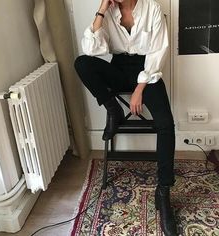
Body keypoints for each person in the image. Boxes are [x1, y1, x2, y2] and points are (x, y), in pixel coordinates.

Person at [74, 0, 177, 235]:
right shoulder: (109, 11)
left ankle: (164, 192)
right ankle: (113, 109)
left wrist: (140, 89)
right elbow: (91, 50)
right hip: (119, 67)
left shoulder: (152, 8)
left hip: (147, 70)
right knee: (82, 63)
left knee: (165, 124)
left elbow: (158, 51)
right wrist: (101, 9)